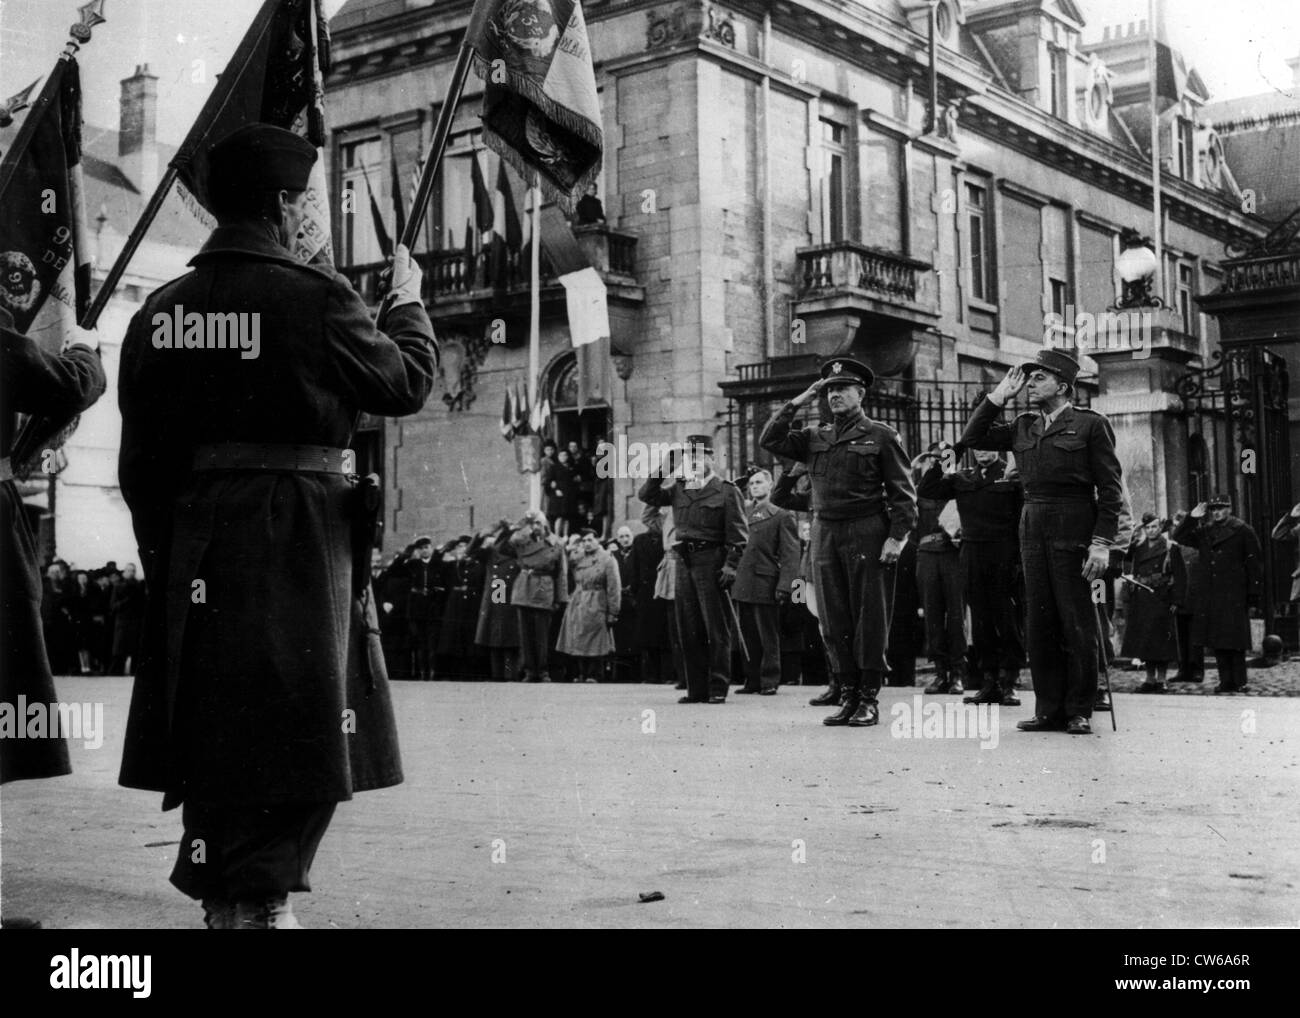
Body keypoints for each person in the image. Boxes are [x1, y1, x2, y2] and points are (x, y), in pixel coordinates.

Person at [116, 123, 437, 929]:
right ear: (288, 203)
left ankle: (228, 887)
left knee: (215, 715)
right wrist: (406, 302)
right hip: (298, 534)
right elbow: (404, 384)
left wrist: (173, 551)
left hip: (196, 534)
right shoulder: (318, 296)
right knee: (302, 716)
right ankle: (258, 899)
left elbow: (139, 465)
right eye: (308, 202)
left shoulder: (161, 311)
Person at [960, 351, 1124, 736]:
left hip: (1074, 525)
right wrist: (998, 395)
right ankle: (1048, 709)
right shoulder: (1023, 425)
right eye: (1029, 378)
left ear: (1063, 386)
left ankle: (1079, 708)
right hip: (1032, 526)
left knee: (1076, 622)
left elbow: (1110, 490)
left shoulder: (1090, 425)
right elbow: (972, 437)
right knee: (1040, 622)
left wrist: (1101, 543)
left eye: (1039, 378)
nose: (1030, 384)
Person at [760, 358, 916, 727]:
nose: (834, 395)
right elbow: (771, 438)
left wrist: (896, 537)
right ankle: (846, 693)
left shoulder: (881, 435)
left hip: (867, 530)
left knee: (870, 616)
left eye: (842, 389)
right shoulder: (816, 437)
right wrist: (801, 398)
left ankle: (868, 698)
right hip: (826, 533)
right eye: (829, 390)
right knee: (833, 617)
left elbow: (903, 494)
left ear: (861, 393)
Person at [638, 435, 749, 704]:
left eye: (701, 456)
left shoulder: (726, 490)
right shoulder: (679, 487)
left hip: (712, 561)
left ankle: (718, 687)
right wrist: (665, 467)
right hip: (684, 561)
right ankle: (696, 688)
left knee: (716, 628)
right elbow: (647, 495)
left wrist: (731, 566)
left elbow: (738, 535)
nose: (695, 462)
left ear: (712, 458)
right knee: (688, 627)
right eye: (691, 457)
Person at [917, 446, 1024, 706]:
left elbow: (1023, 515)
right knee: (981, 620)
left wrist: (1019, 559)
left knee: (1007, 619)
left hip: (1004, 554)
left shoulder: (1011, 475)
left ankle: (1009, 680)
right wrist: (951, 453)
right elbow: (927, 489)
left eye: (987, 447)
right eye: (975, 448)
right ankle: (989, 681)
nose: (981, 452)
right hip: (972, 554)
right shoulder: (964, 477)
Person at [1172, 496, 1262, 694]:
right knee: (1219, 640)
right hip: (1212, 593)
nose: (1216, 513)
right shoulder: (1206, 531)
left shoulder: (1242, 530)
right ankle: (1225, 681)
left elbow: (1254, 564)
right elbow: (1179, 537)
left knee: (1235, 640)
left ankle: (1239, 681)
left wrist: (1253, 594)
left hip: (1234, 593)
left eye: (1221, 508)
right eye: (1213, 509)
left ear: (1229, 508)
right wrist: (1191, 518)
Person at [732, 469, 800, 696]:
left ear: (770, 485)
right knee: (747, 633)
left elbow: (791, 555)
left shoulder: (781, 515)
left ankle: (769, 679)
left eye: (759, 482)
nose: (754, 486)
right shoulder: (743, 513)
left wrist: (785, 586)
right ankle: (752, 679)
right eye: (751, 483)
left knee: (767, 633)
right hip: (743, 581)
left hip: (765, 580)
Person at [910, 447, 968, 695]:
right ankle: (940, 671)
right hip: (926, 556)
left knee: (956, 615)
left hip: (953, 556)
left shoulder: (957, 489)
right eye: (936, 461)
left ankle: (957, 673)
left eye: (947, 460)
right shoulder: (918, 493)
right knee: (932, 615)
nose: (942, 465)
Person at [503, 510, 568, 682]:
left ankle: (543, 670)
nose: (536, 527)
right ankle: (529, 670)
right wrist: (522, 528)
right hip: (524, 587)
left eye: (539, 523)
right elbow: (507, 546)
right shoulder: (523, 541)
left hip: (543, 588)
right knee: (525, 634)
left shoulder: (555, 543)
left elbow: (561, 573)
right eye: (533, 524)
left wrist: (560, 598)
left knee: (542, 635)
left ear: (545, 523)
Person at [1121, 512, 1179, 693]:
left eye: (1154, 526)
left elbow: (1180, 576)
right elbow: (1126, 555)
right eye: (1147, 527)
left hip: (1161, 597)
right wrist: (1133, 533)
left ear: (1160, 527)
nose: (1151, 530)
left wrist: (1177, 600)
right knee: (1145, 641)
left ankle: (1161, 679)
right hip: (1143, 599)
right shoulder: (1139, 548)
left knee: (1161, 643)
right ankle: (1149, 678)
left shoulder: (1170, 547)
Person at [557, 528, 621, 682]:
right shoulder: (577, 558)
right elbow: (564, 566)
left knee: (596, 640)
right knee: (578, 638)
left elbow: (614, 587)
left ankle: (594, 674)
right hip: (578, 602)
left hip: (597, 601)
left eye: (590, 540)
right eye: (584, 541)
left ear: (598, 540)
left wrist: (613, 611)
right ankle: (582, 673)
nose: (586, 544)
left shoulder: (607, 559)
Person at [626, 507, 673, 683]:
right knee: (648, 635)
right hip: (646, 593)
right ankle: (651, 674)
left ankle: (668, 674)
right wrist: (635, 590)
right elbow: (634, 567)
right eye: (653, 520)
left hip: (663, 589)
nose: (656, 523)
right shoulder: (639, 540)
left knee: (666, 634)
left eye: (659, 520)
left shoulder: (667, 540)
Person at [471, 520, 521, 681]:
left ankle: (511, 675)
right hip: (496, 602)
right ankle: (498, 676)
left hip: (514, 601)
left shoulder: (521, 557)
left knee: (512, 643)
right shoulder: (492, 554)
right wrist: (482, 534)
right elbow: (470, 551)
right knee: (495, 640)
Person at [1168, 510, 1204, 682]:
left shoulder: (1199, 542)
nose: (1177, 528)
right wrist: (1176, 598)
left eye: (1179, 524)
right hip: (1182, 597)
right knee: (1181, 636)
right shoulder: (1175, 548)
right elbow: (1175, 574)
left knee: (1196, 636)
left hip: (1198, 595)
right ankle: (1184, 669)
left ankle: (1197, 669)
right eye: (1175, 525)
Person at [404, 537, 440, 680]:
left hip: (433, 608)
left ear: (432, 548)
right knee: (420, 642)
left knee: (432, 643)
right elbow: (396, 568)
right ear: (418, 551)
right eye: (421, 548)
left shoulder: (438, 564)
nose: (425, 550)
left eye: (427, 547)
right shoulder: (412, 564)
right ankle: (422, 672)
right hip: (417, 609)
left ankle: (432, 673)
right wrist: (407, 553)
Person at [609, 525, 638, 681]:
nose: (625, 540)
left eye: (627, 536)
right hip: (619, 599)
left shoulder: (636, 553)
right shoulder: (613, 555)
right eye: (621, 537)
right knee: (620, 639)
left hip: (633, 599)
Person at [109, 562, 147, 676]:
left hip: (135, 622)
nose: (131, 573)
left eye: (133, 571)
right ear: (124, 572)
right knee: (119, 653)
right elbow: (113, 606)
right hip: (123, 622)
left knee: (134, 652)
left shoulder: (139, 586)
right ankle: (115, 673)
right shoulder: (118, 586)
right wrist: (127, 601)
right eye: (129, 570)